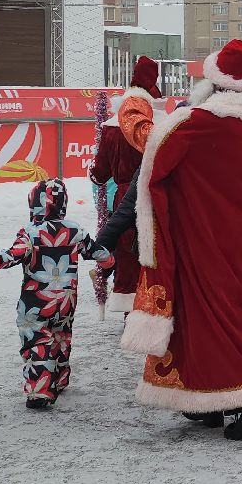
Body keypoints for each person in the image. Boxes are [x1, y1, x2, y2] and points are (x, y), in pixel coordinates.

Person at [121, 39, 242, 441]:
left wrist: (152, 237)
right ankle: (209, 403)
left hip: (202, 237)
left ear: (213, 80)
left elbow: (152, 166)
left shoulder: (192, 124)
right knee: (231, 317)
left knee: (213, 321)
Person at [0, 179, 113, 409]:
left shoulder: (30, 233)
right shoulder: (75, 230)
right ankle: (59, 377)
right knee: (61, 337)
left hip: (36, 302)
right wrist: (109, 262)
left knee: (37, 341)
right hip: (66, 301)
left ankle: (40, 390)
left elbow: (11, 255)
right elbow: (98, 253)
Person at [90, 56, 161, 317]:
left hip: (123, 198)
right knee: (152, 250)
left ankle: (128, 309)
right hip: (154, 196)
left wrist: (95, 177)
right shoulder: (158, 122)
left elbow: (100, 172)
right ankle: (154, 303)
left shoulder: (110, 128)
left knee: (126, 252)